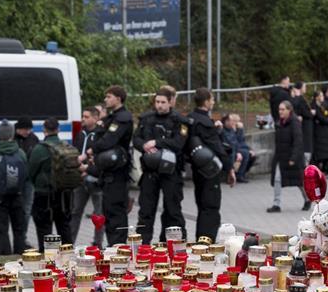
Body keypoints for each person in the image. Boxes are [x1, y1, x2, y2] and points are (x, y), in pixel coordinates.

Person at [133, 86, 190, 245]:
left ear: (170, 102)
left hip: (171, 173)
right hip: (150, 172)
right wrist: (143, 145)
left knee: (172, 210)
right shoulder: (146, 119)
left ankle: (173, 245)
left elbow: (179, 143)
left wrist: (157, 142)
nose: (159, 105)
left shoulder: (180, 121)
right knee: (146, 211)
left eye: (163, 102)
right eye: (157, 101)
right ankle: (142, 245)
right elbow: (136, 139)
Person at [188, 87, 235, 240]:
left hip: (196, 170)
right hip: (209, 172)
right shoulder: (205, 122)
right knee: (210, 208)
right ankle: (206, 243)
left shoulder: (190, 119)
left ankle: (200, 241)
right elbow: (218, 148)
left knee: (202, 207)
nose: (213, 102)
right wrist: (230, 168)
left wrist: (217, 131)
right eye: (212, 99)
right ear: (206, 101)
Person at [92, 86, 134, 246]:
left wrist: (92, 149)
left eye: (109, 96)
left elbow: (109, 140)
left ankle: (118, 249)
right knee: (108, 213)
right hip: (108, 174)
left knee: (116, 213)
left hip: (118, 174)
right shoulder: (112, 117)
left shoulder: (123, 117)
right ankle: (112, 248)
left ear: (118, 98)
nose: (105, 99)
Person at [28, 117, 75, 252]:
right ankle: (69, 256)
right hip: (64, 195)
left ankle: (47, 258)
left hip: (44, 194)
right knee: (64, 227)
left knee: (44, 228)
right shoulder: (66, 146)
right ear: (58, 129)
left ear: (44, 130)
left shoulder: (39, 149)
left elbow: (31, 172)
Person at [0, 122, 29, 255]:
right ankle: (20, 255)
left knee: (2, 229)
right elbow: (26, 175)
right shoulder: (20, 152)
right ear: (11, 134)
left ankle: (6, 256)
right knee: (19, 228)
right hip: (18, 195)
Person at [70, 107, 105, 248]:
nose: (83, 119)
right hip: (80, 179)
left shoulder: (100, 134)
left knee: (98, 214)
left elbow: (100, 156)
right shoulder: (80, 134)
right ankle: (69, 242)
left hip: (95, 178)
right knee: (75, 211)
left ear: (95, 118)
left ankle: (97, 243)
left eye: (86, 116)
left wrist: (88, 169)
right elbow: (75, 152)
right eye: (82, 116)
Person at [267, 100, 309, 213]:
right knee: (277, 179)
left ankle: (308, 199)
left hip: (293, 158)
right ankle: (276, 204)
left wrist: (293, 158)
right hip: (281, 157)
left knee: (300, 181)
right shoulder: (279, 122)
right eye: (279, 109)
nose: (280, 111)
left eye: (282, 109)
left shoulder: (295, 122)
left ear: (289, 110)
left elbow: (298, 141)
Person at [14, 117, 39, 223]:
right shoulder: (11, 138)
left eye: (30, 129)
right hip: (14, 178)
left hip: (29, 179)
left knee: (27, 207)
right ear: (18, 129)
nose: (28, 132)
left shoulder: (33, 138)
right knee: (15, 208)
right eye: (26, 129)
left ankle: (22, 236)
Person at [221, 113, 256, 183]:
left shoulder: (231, 130)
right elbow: (231, 144)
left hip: (235, 149)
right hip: (228, 151)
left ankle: (240, 174)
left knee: (249, 154)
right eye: (233, 121)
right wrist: (238, 152)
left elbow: (240, 142)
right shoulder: (223, 130)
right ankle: (237, 175)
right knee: (245, 153)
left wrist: (249, 149)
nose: (237, 123)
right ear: (227, 121)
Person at [311, 88, 328, 173]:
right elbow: (321, 118)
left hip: (324, 130)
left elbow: (327, 115)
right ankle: (318, 168)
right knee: (319, 152)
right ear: (316, 97)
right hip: (318, 131)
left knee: (326, 150)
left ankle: (325, 167)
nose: (322, 97)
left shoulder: (322, 106)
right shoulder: (314, 106)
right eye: (321, 95)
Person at [291, 82, 314, 167]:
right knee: (306, 146)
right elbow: (302, 110)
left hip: (307, 124)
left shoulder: (301, 98)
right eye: (304, 87)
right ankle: (304, 166)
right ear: (300, 88)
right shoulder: (298, 99)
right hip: (304, 125)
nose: (305, 88)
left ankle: (306, 165)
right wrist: (311, 113)